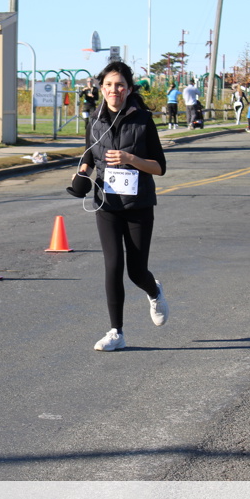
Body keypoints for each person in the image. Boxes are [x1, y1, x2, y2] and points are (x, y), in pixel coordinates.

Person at [71, 61, 168, 351]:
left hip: (138, 204)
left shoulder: (143, 120)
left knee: (136, 272)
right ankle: (116, 332)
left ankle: (154, 291)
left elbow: (160, 167)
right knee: (113, 266)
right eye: (109, 85)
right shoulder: (95, 121)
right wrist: (82, 173)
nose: (115, 90)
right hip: (107, 203)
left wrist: (130, 159)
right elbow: (89, 155)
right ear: (102, 89)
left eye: (120, 85)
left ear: (128, 89)